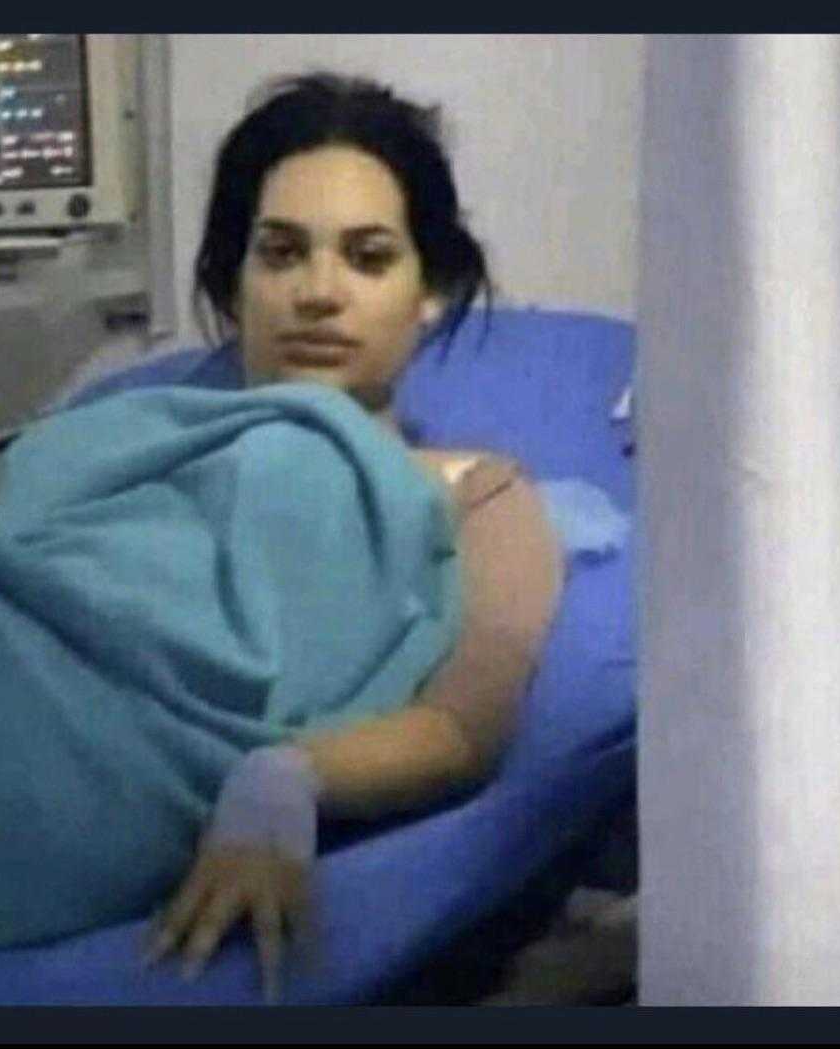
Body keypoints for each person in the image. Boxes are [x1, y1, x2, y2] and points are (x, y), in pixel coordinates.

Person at [143, 73, 563, 996]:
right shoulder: (134, 445)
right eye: (281, 254)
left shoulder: (471, 496)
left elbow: (465, 722)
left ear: (431, 291)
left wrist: (284, 778)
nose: (319, 293)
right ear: (233, 280)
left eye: (368, 258)